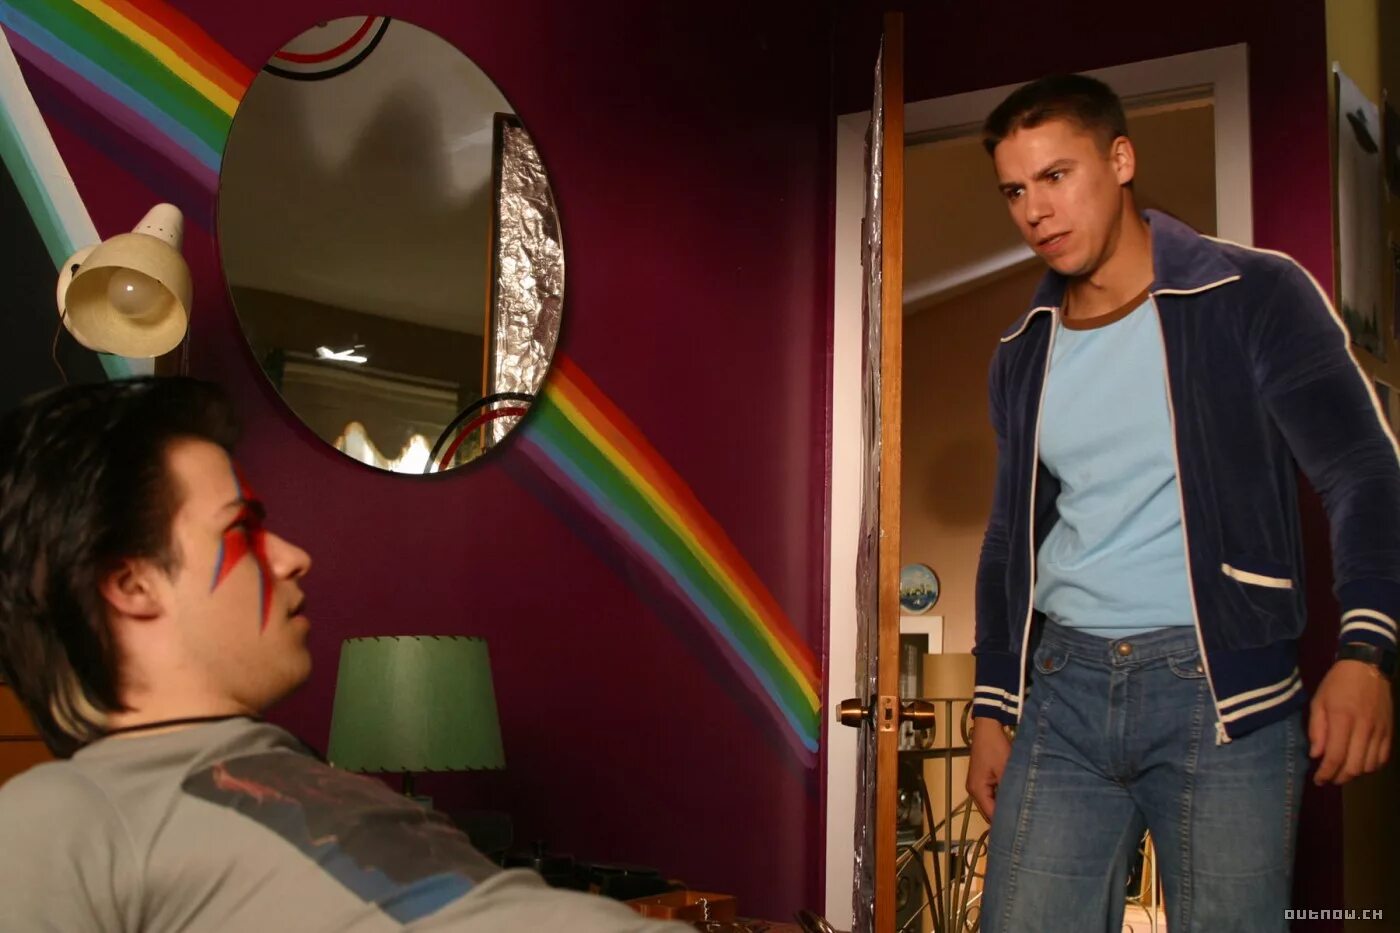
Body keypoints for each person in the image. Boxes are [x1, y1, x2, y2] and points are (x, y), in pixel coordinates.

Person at [0, 377, 684, 932]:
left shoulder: (308, 772)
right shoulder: (62, 815)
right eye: (243, 530)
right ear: (131, 585)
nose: (293, 556)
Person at [965, 74, 1397, 932]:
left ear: (1121, 159)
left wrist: (1367, 649)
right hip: (1064, 691)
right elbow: (1011, 538)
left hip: (1223, 695)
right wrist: (990, 703)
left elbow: (1362, 471)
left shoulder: (1254, 293)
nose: (1036, 211)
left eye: (1056, 176)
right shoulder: (1022, 350)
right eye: (1014, 190)